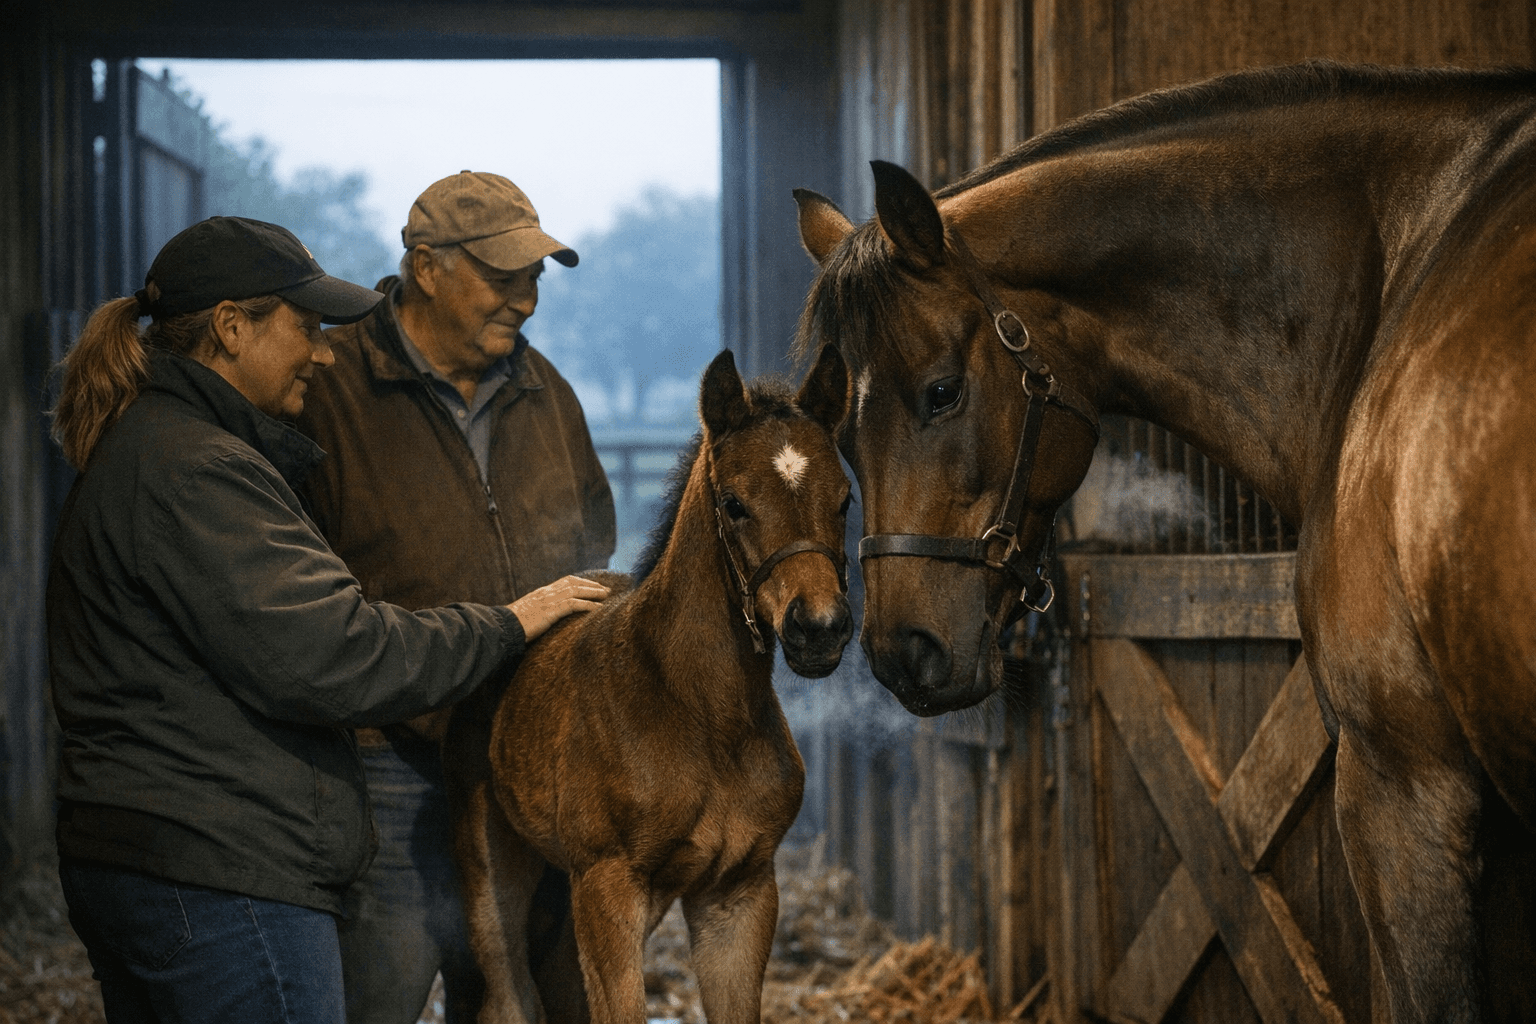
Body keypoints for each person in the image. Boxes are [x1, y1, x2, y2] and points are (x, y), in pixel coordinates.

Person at [46, 215, 608, 1024]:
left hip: (190, 856)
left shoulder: (175, 446)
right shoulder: (200, 468)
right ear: (233, 327)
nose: (320, 349)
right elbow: (334, 654)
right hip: (222, 870)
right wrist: (508, 625)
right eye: (305, 328)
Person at [294, 172, 615, 1024]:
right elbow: (287, 596)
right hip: (386, 766)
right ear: (425, 267)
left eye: (535, 280)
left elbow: (594, 550)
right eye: (504, 279)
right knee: (378, 994)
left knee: (540, 1002)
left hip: (526, 769)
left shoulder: (548, 394)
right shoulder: (323, 387)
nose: (527, 303)